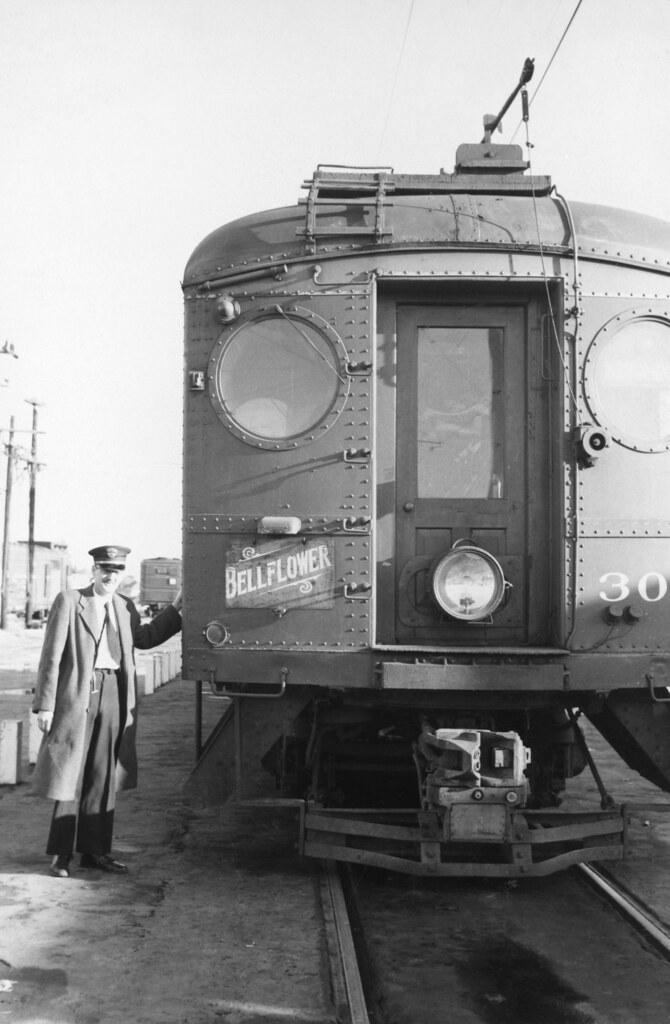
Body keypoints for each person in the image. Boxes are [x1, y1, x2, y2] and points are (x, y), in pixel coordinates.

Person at [31, 545, 183, 878]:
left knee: (103, 774)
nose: (110, 577)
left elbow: (144, 637)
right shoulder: (70, 601)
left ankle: (94, 853)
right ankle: (60, 855)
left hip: (114, 691)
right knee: (70, 772)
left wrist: (176, 609)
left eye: (115, 571)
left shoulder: (125, 606)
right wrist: (44, 704)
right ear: (94, 571)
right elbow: (51, 657)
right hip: (78, 695)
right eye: (104, 570)